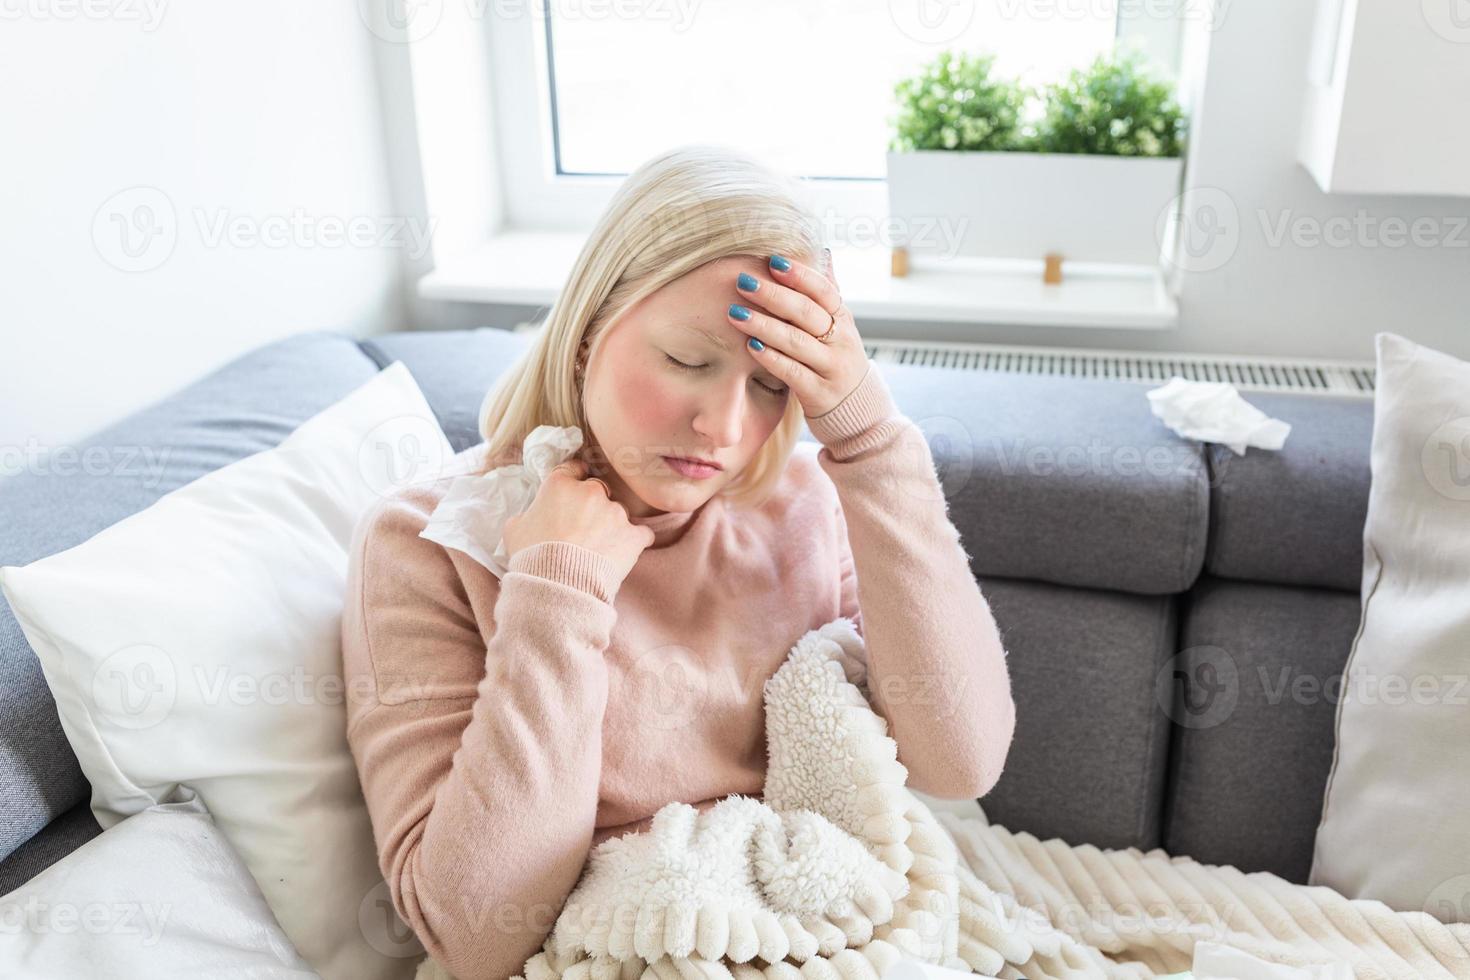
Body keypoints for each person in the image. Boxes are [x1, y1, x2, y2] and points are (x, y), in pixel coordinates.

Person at [340, 144, 1016, 980]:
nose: (724, 429)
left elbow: (960, 763)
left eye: (771, 386)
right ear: (588, 334)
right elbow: (476, 934)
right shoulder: (431, 543)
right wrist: (556, 595)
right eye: (687, 362)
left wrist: (872, 443)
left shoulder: (802, 503)